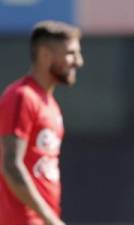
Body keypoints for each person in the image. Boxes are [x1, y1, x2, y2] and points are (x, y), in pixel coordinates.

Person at [0, 20, 84, 225]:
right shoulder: (22, 96)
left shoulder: (51, 104)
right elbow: (10, 164)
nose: (79, 62)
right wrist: (50, 219)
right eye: (71, 53)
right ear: (46, 54)